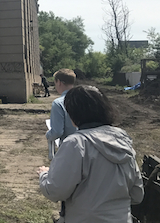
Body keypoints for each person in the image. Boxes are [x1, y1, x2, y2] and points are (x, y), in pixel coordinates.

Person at [38, 85, 144, 222]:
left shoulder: (76, 144)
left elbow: (55, 190)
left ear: (74, 114)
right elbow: (137, 194)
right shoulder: (123, 141)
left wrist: (43, 174)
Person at [46, 69, 78, 148]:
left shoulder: (58, 103)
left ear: (59, 82)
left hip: (69, 148)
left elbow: (57, 132)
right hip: (87, 148)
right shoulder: (84, 100)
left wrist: (48, 135)